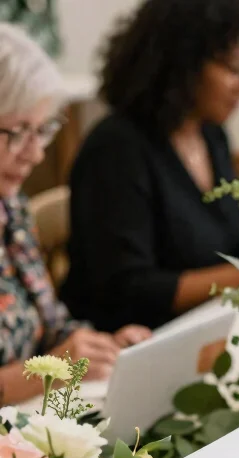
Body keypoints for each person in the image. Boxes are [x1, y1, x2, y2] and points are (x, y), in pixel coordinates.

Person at [60, 0, 239, 333]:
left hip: (204, 328)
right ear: (183, 64)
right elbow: (130, 291)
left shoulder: (211, 134)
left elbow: (222, 239)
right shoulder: (117, 149)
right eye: (234, 69)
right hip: (128, 346)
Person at [0, 25, 150, 405]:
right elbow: (50, 359)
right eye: (18, 133)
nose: (35, 155)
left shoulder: (9, 205)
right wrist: (51, 368)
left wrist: (103, 345)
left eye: (42, 131)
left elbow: (49, 325)